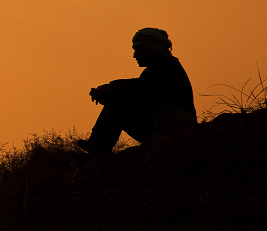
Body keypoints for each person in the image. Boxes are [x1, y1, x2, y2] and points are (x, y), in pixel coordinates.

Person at [77, 28, 196, 157]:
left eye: (137, 50)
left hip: (172, 130)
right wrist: (110, 92)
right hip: (166, 126)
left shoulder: (166, 67)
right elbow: (141, 93)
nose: (135, 55)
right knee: (118, 99)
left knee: (119, 100)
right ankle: (98, 144)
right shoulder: (162, 67)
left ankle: (99, 144)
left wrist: (111, 89)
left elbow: (139, 89)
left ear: (149, 49)